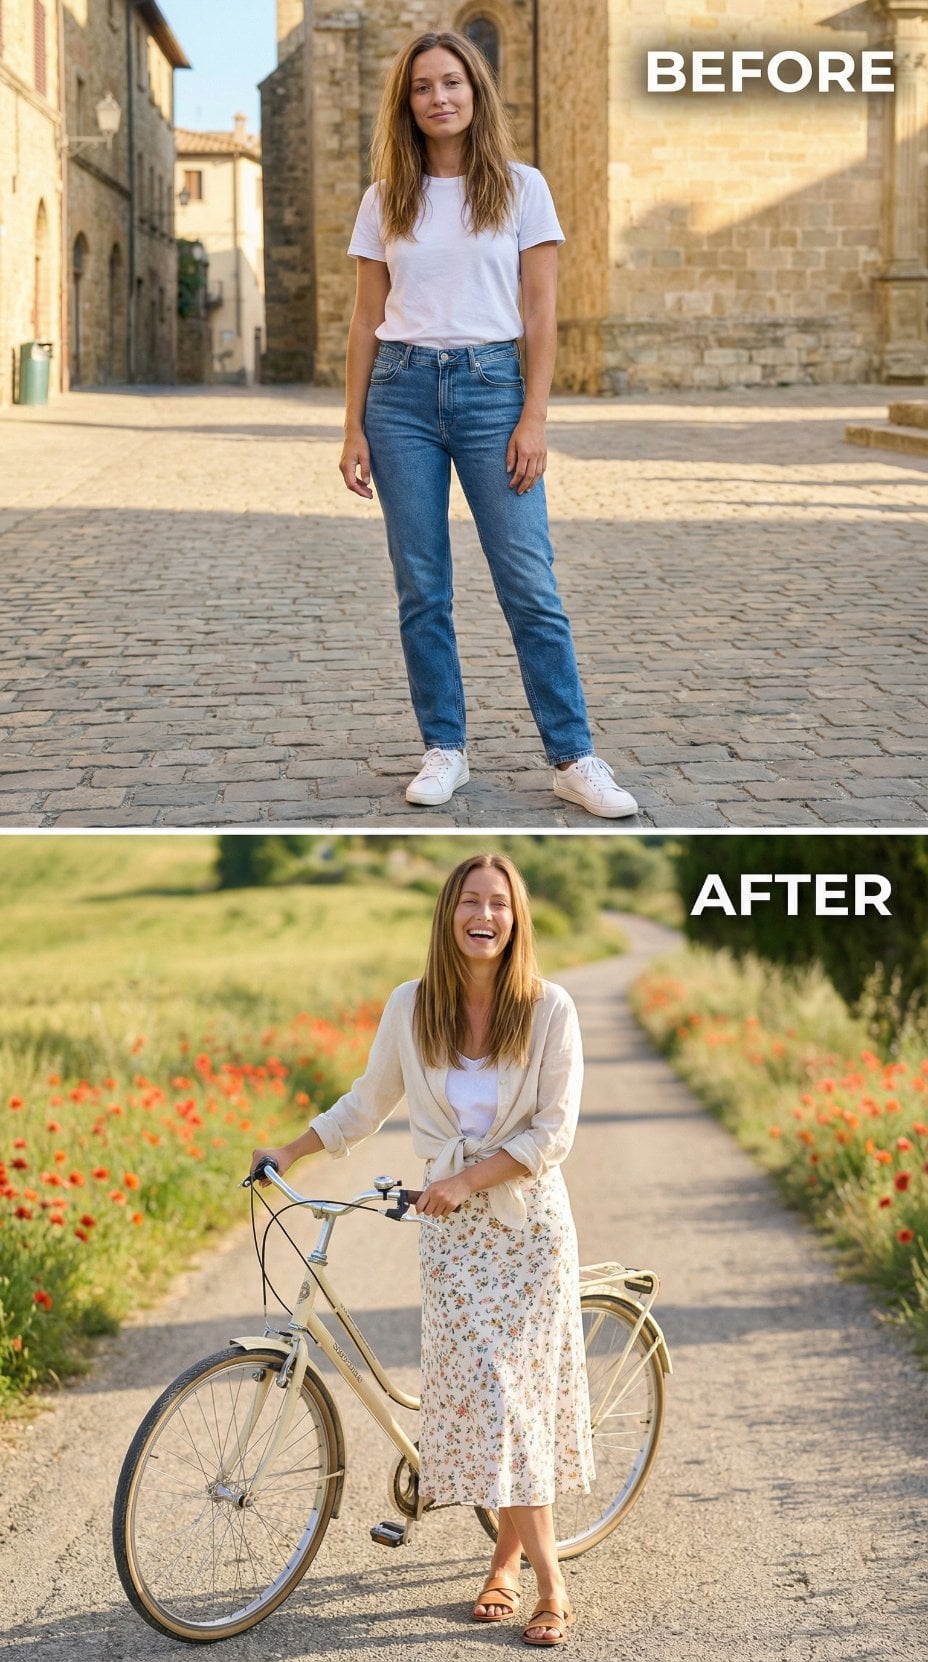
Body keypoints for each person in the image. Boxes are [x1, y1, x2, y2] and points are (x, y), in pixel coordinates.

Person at [251, 852, 593, 1646]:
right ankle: (506, 1564)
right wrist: (291, 1150)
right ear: (448, 914)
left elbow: (554, 1132)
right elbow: (366, 1103)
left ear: (516, 919)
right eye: (470, 900)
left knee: (510, 1399)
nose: (484, 915)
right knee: (485, 1397)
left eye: (498, 903)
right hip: (451, 1240)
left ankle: (545, 1582)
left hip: (524, 1228)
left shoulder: (550, 1008)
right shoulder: (412, 1006)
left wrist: (468, 1179)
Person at [338, 29, 638, 822]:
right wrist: (353, 426)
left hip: (492, 392)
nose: (438, 97)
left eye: (451, 82)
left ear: (476, 91)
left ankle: (573, 757)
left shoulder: (520, 188)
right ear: (406, 103)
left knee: (529, 583)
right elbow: (366, 318)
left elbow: (540, 313)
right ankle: (445, 747)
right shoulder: (384, 199)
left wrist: (534, 415)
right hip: (399, 396)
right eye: (422, 87)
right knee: (421, 586)